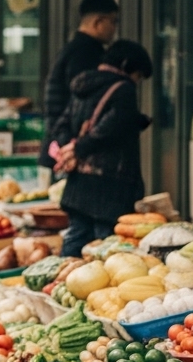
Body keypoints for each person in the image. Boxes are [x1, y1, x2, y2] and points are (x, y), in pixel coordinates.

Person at [51, 40, 154, 257]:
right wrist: (79, 148)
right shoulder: (123, 89)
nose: (136, 81)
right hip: (111, 187)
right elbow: (109, 129)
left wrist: (68, 148)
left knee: (76, 238)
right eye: (138, 75)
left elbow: (61, 125)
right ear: (127, 65)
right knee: (106, 248)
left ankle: (59, 283)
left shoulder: (83, 86)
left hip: (79, 184)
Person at [39, 0, 119, 168]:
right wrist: (76, 145)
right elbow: (82, 102)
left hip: (59, 143)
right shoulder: (86, 53)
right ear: (98, 22)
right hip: (65, 148)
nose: (114, 28)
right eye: (112, 22)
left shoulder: (75, 48)